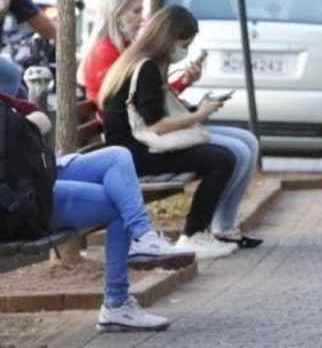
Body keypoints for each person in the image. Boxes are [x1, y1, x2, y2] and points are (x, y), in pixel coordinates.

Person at [83, 0, 262, 249]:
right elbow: (157, 124)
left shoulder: (142, 60)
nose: (185, 51)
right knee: (222, 159)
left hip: (137, 146)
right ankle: (194, 235)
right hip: (135, 152)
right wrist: (199, 114)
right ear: (169, 39)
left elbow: (153, 109)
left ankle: (208, 230)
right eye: (184, 44)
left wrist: (194, 107)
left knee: (232, 151)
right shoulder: (144, 66)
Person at [7, 95, 194, 332]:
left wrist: (22, 127)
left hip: (37, 172)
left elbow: (35, 114)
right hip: (20, 198)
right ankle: (117, 303)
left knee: (117, 156)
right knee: (119, 203)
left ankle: (143, 237)